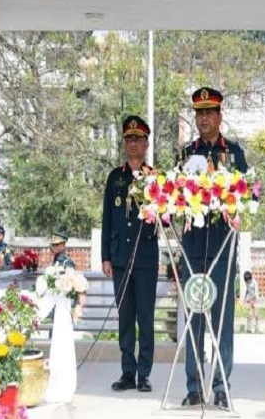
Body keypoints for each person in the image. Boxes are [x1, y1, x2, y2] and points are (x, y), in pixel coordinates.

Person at [179, 87, 248, 409]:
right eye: (199, 113)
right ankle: (194, 386)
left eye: (209, 112)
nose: (204, 118)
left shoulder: (234, 153)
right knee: (193, 318)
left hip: (222, 246)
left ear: (220, 116)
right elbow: (176, 196)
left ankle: (220, 386)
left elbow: (247, 195)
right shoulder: (185, 153)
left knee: (221, 318)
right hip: (193, 246)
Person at [101, 115, 159, 394]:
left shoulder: (155, 177)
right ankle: (127, 372)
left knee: (145, 318)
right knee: (125, 318)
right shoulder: (115, 177)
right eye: (129, 139)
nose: (133, 143)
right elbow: (107, 219)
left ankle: (144, 374)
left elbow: (166, 219)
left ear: (146, 143)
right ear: (124, 143)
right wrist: (106, 256)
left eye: (138, 139)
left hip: (145, 259)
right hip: (121, 258)